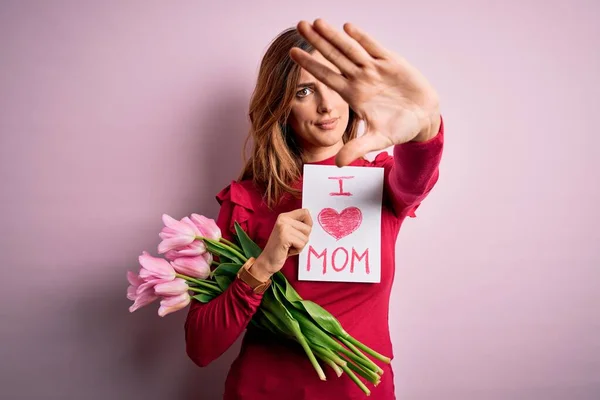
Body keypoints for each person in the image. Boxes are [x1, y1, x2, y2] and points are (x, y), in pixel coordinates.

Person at [184, 19, 444, 400]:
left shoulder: (381, 183)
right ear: (281, 104)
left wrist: (425, 127)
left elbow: (418, 175)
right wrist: (261, 268)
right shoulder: (247, 199)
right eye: (305, 91)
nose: (326, 105)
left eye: (336, 86)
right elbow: (200, 347)